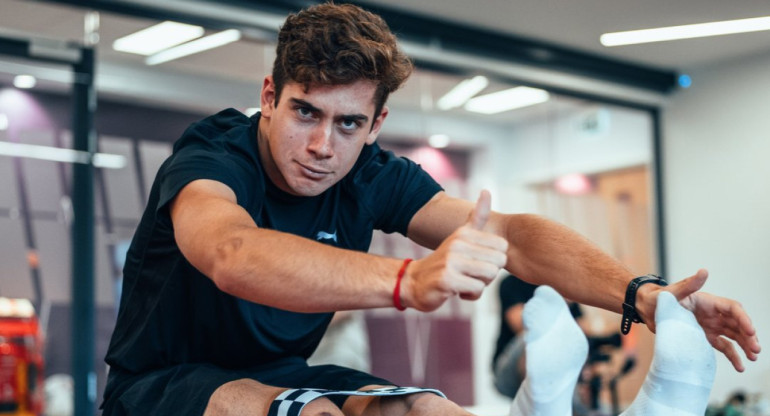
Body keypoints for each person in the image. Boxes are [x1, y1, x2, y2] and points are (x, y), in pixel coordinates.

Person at [101, 3, 760, 415]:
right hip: (160, 386)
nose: (323, 147)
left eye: (349, 124)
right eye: (306, 112)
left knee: (434, 411)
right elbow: (231, 255)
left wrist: (642, 296)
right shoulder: (212, 158)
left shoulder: (374, 175)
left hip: (285, 372)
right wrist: (406, 280)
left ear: (377, 123)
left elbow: (514, 238)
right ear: (270, 95)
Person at [492, 274, 589, 413]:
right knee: (535, 337)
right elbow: (519, 324)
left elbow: (584, 333)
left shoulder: (562, 285)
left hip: (558, 368)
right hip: (509, 372)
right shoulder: (511, 283)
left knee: (577, 347)